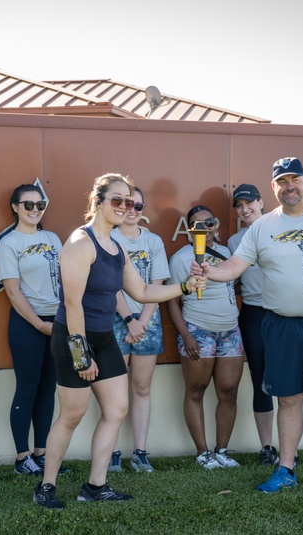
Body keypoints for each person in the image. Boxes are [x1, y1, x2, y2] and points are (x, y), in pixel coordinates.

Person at [32, 173, 205, 509]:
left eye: (129, 201)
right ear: (97, 201)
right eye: (117, 200)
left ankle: (96, 485)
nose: (125, 207)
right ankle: (46, 486)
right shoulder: (80, 244)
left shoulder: (117, 248)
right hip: (73, 338)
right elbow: (72, 304)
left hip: (104, 337)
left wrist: (184, 286)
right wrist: (81, 357)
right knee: (72, 414)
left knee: (117, 409)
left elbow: (141, 291)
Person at [198, 157, 303, 497]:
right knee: (288, 401)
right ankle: (286, 468)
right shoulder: (262, 227)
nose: (289, 186)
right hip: (280, 326)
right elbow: (233, 267)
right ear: (273, 188)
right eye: (281, 182)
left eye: (294, 180)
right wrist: (207, 272)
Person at [167, 205, 244, 470]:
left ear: (216, 224)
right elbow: (172, 301)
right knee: (196, 390)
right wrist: (186, 335)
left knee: (229, 391)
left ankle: (222, 450)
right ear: (189, 230)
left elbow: (235, 289)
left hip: (230, 331)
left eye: (208, 223)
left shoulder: (226, 253)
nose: (204, 229)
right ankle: (203, 452)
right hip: (198, 329)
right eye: (197, 225)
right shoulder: (181, 259)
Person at [0, 184, 62, 475]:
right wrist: (38, 324)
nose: (35, 210)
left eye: (40, 205)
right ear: (15, 207)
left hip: (57, 321)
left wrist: (61, 320)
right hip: (28, 323)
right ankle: (22, 458)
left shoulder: (53, 238)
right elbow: (12, 291)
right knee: (27, 389)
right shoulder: (9, 243)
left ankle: (43, 454)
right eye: (28, 204)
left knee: (49, 389)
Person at [108, 186, 170, 473]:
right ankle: (113, 452)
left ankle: (140, 453)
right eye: (127, 204)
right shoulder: (109, 237)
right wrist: (129, 318)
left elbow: (156, 285)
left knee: (142, 387)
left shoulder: (154, 241)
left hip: (148, 320)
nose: (132, 210)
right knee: (115, 390)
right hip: (115, 319)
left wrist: (142, 321)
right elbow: (111, 283)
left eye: (138, 206)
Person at [226, 184, 279, 466]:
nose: (245, 209)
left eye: (250, 202)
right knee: (260, 380)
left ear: (261, 202)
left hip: (283, 313)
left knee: (288, 381)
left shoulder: (280, 227)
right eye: (239, 205)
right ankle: (267, 447)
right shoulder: (235, 241)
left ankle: (290, 445)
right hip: (253, 314)